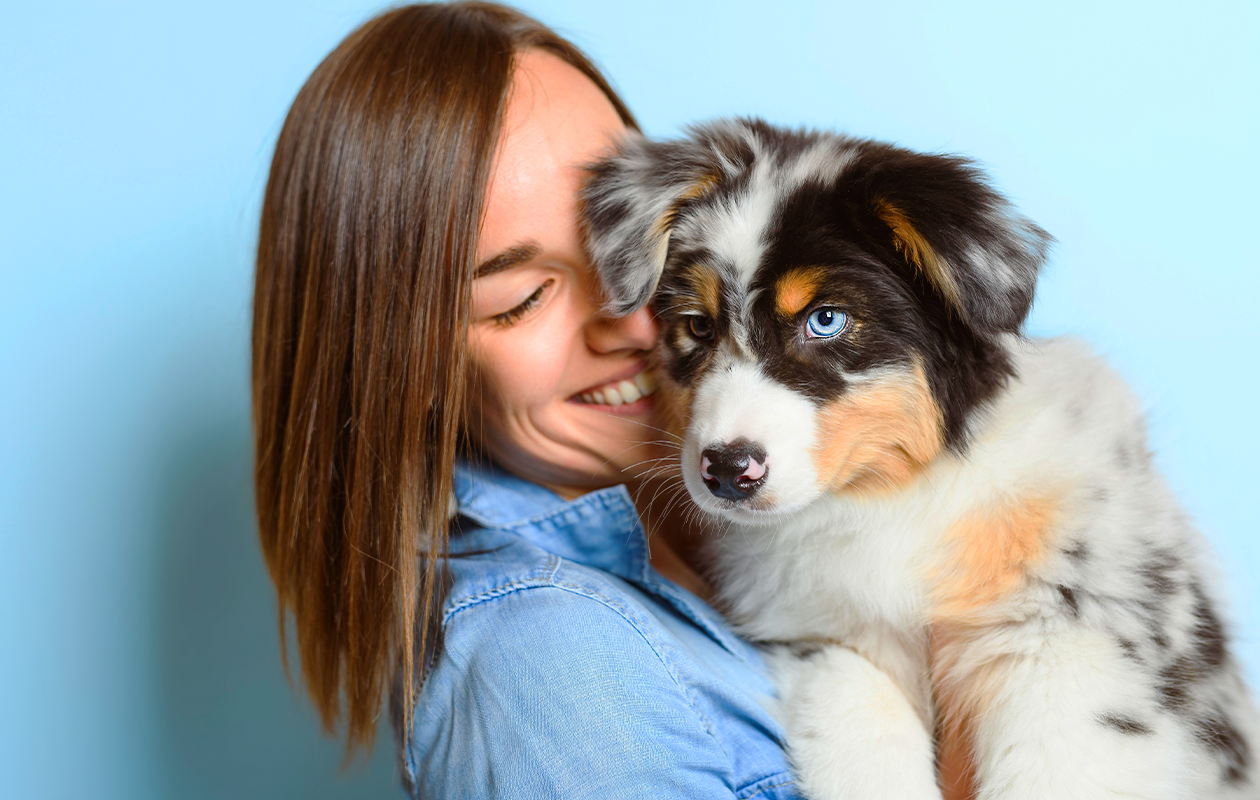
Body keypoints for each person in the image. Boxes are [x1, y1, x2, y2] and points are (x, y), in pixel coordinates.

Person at [252, 3, 801, 797]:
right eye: (523, 298)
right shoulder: (553, 672)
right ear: (407, 369)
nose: (633, 315)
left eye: (639, 234)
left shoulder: (765, 502)